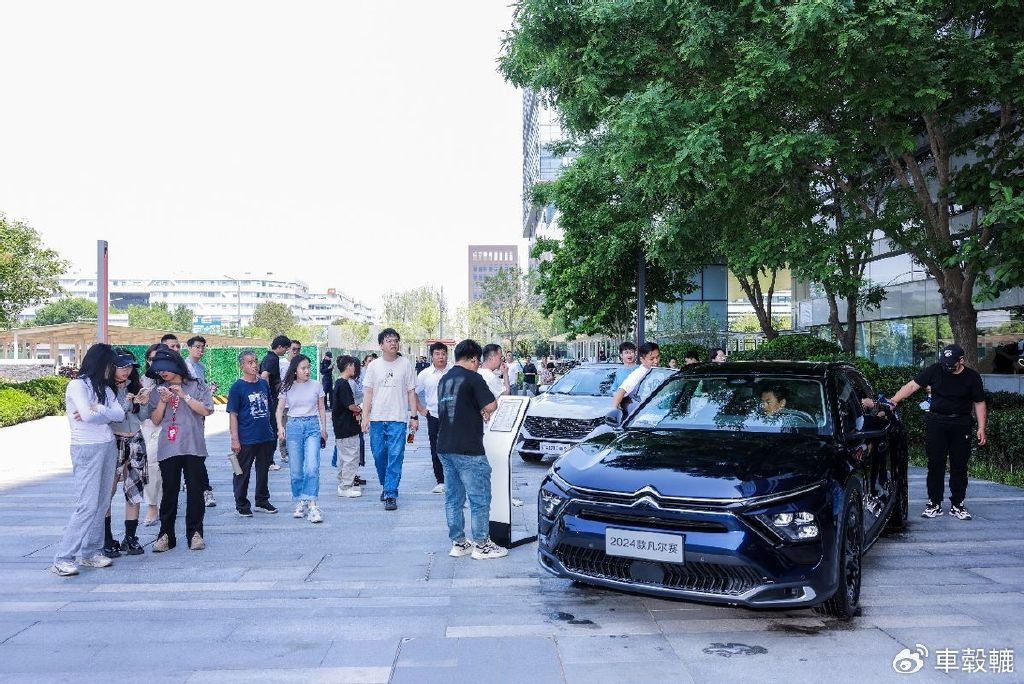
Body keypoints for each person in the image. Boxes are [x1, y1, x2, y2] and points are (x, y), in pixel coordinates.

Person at [885, 343, 987, 520]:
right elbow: (912, 386)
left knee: (959, 465)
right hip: (936, 422)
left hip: (961, 423)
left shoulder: (972, 377)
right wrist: (893, 401)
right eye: (945, 362)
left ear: (961, 360)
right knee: (935, 464)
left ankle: (957, 504)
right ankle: (935, 503)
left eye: (951, 363)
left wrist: (981, 428)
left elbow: (979, 402)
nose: (947, 366)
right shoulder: (935, 369)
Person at [51, 343, 126, 577]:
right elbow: (85, 415)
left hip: (107, 446)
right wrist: (100, 413)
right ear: (100, 363)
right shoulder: (76, 385)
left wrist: (99, 409)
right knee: (87, 505)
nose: (112, 370)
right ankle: (63, 557)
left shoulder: (105, 388)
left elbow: (120, 414)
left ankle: (90, 552)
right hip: (86, 448)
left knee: (103, 502)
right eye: (110, 365)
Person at [437, 339, 505, 560]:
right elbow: (491, 405)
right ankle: (482, 545)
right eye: (478, 362)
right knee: (479, 498)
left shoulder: (444, 379)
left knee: (453, 498)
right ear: (475, 359)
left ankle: (459, 543)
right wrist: (484, 409)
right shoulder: (473, 378)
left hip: (445, 445)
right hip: (468, 448)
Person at [144, 345, 215, 552]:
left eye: (165, 368)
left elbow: (206, 410)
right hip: (168, 447)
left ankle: (195, 534)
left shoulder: (196, 385)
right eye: (159, 370)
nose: (162, 372)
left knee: (195, 492)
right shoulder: (159, 390)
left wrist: (184, 396)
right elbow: (156, 420)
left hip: (193, 446)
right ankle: (166, 535)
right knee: (169, 492)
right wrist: (163, 402)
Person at [361, 328, 418, 511]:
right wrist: (365, 417)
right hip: (377, 418)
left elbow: (411, 392)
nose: (393, 343)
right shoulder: (374, 366)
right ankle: (386, 484)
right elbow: (368, 392)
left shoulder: (406, 364)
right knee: (378, 455)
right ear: (381, 345)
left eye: (395, 340)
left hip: (398, 418)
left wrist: (414, 416)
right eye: (389, 340)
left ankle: (391, 493)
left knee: (396, 455)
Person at [103, 348, 150, 558]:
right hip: (113, 440)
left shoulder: (136, 386)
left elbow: (142, 418)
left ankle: (130, 537)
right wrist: (126, 402)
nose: (126, 371)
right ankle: (106, 538)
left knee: (134, 489)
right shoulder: (105, 389)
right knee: (108, 490)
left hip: (135, 439)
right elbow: (112, 416)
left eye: (129, 366)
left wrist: (143, 404)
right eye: (122, 367)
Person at [277, 354, 328, 523]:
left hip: (312, 426)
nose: (307, 371)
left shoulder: (316, 385)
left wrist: (323, 429)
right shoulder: (287, 387)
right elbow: (279, 410)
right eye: (303, 368)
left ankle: (313, 505)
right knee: (296, 471)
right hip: (294, 426)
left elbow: (321, 407)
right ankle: (301, 500)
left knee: (312, 467)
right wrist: (280, 427)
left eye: (308, 367)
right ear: (295, 370)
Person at [227, 351, 278, 517]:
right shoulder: (237, 387)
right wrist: (235, 439)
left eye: (256, 361)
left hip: (265, 436)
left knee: (263, 471)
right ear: (242, 366)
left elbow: (270, 409)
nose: (254, 365)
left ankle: (262, 500)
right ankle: (241, 504)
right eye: (250, 362)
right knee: (242, 472)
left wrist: (273, 431)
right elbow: (233, 414)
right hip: (246, 438)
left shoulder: (263, 384)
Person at [184, 335, 217, 508]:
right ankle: (203, 489)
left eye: (203, 347)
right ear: (188, 347)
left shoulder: (200, 367)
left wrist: (208, 391)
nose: (200, 350)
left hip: (199, 413)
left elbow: (201, 392)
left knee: (197, 451)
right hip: (186, 414)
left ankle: (193, 483)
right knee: (195, 452)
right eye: (197, 346)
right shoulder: (184, 367)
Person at [416, 341, 450, 494]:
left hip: (453, 416)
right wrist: (421, 409)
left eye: (443, 354)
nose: (441, 357)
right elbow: (412, 392)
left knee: (453, 448)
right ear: (432, 356)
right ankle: (441, 480)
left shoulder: (453, 372)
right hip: (434, 416)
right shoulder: (424, 375)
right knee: (436, 448)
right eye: (437, 354)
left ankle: (454, 479)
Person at [332, 355, 363, 498]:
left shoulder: (338, 383)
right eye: (353, 365)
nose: (355, 368)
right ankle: (346, 486)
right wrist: (361, 409)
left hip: (340, 427)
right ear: (349, 366)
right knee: (351, 457)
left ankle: (343, 484)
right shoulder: (344, 384)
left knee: (343, 457)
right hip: (348, 427)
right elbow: (350, 405)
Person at [140, 343, 164, 526]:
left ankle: (165, 504)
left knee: (168, 469)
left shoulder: (173, 380)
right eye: (150, 359)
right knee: (152, 468)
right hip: (149, 428)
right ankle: (152, 506)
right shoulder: (142, 381)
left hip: (171, 428)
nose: (154, 363)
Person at [260, 335, 290, 471]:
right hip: (271, 400)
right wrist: (267, 395)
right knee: (273, 430)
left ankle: (267, 459)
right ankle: (269, 461)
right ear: (279, 347)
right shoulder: (272, 359)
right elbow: (264, 376)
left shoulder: (268, 357)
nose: (286, 352)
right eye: (285, 349)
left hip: (271, 398)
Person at [611, 342, 661, 411]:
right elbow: (621, 391)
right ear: (642, 360)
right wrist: (614, 410)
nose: (656, 361)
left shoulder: (661, 371)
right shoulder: (637, 374)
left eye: (657, 357)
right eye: (651, 359)